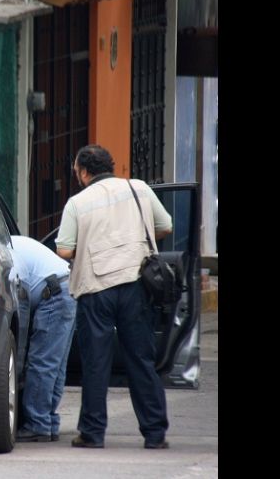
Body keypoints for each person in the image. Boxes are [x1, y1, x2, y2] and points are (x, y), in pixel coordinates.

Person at [55, 144, 173, 450]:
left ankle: (92, 434)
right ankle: (155, 434)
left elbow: (65, 250)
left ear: (82, 172)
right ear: (112, 165)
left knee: (96, 363)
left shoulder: (77, 203)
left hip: (96, 289)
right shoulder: (139, 189)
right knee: (141, 360)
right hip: (136, 284)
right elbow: (165, 226)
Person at [10, 235, 76, 443]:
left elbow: (21, 309)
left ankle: (37, 424)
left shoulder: (6, 254)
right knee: (55, 365)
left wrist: (16, 364)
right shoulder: (13, 243)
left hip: (54, 294)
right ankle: (48, 423)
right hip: (68, 288)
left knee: (42, 362)